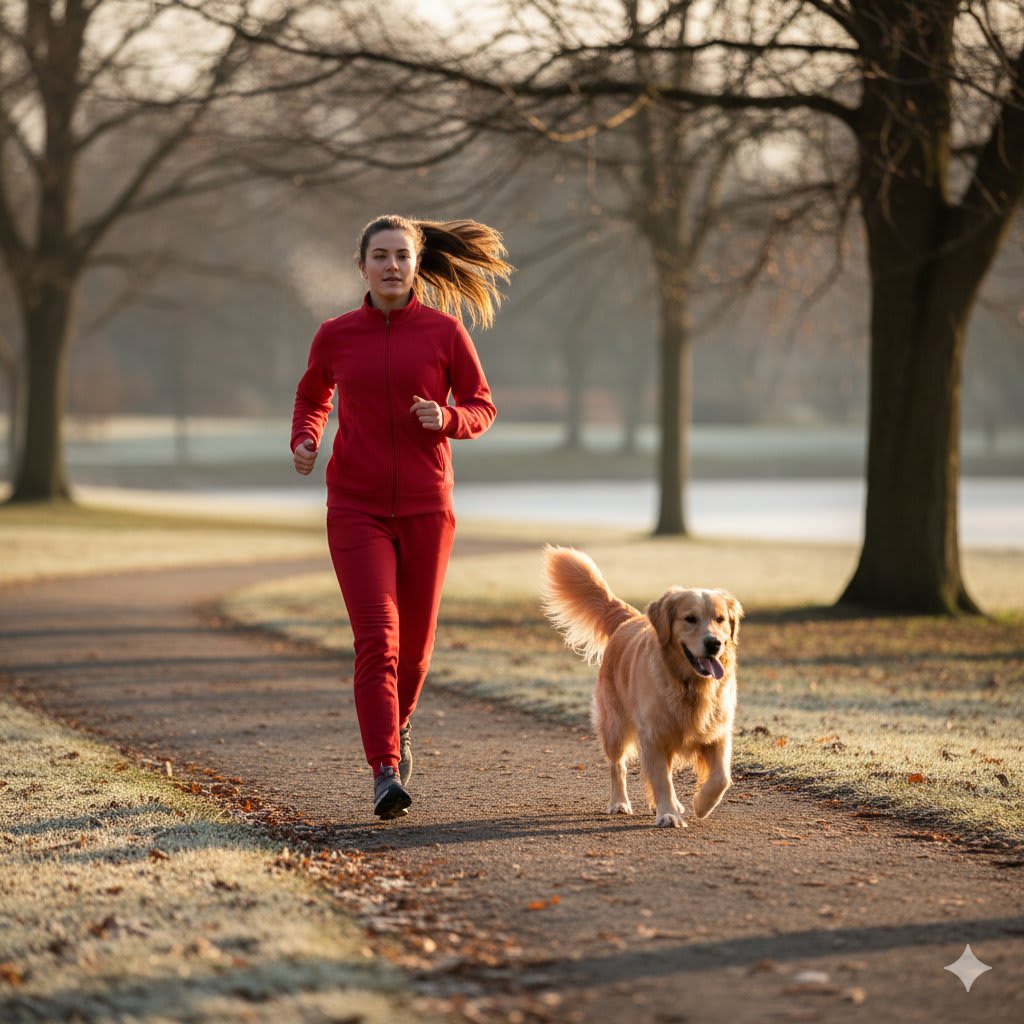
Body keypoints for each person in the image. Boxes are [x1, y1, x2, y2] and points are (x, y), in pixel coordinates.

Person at [291, 214, 512, 820]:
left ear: (417, 266)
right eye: (380, 255)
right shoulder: (335, 335)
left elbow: (482, 405)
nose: (391, 265)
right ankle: (384, 769)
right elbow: (313, 395)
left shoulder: (444, 333)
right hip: (356, 509)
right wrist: (305, 439)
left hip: (427, 508)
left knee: (413, 654)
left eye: (402, 256)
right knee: (378, 640)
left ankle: (398, 723)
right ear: (361, 265)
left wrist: (448, 419)